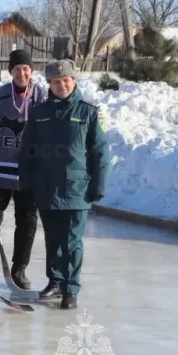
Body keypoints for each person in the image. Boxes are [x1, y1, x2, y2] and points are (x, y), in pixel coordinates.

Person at [19, 60, 109, 310]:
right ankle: (55, 281)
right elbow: (27, 150)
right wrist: (25, 182)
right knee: (53, 238)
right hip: (46, 187)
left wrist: (98, 185)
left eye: (66, 81)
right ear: (49, 84)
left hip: (76, 189)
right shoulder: (38, 113)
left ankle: (71, 288)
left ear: (74, 81)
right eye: (56, 82)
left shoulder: (89, 112)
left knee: (72, 241)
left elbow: (100, 152)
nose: (61, 85)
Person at [0, 49, 47, 290]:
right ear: (10, 71)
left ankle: (19, 269)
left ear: (31, 70)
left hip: (28, 174)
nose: (22, 73)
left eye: (26, 68)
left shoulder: (43, 97)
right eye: (17, 69)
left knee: (27, 221)